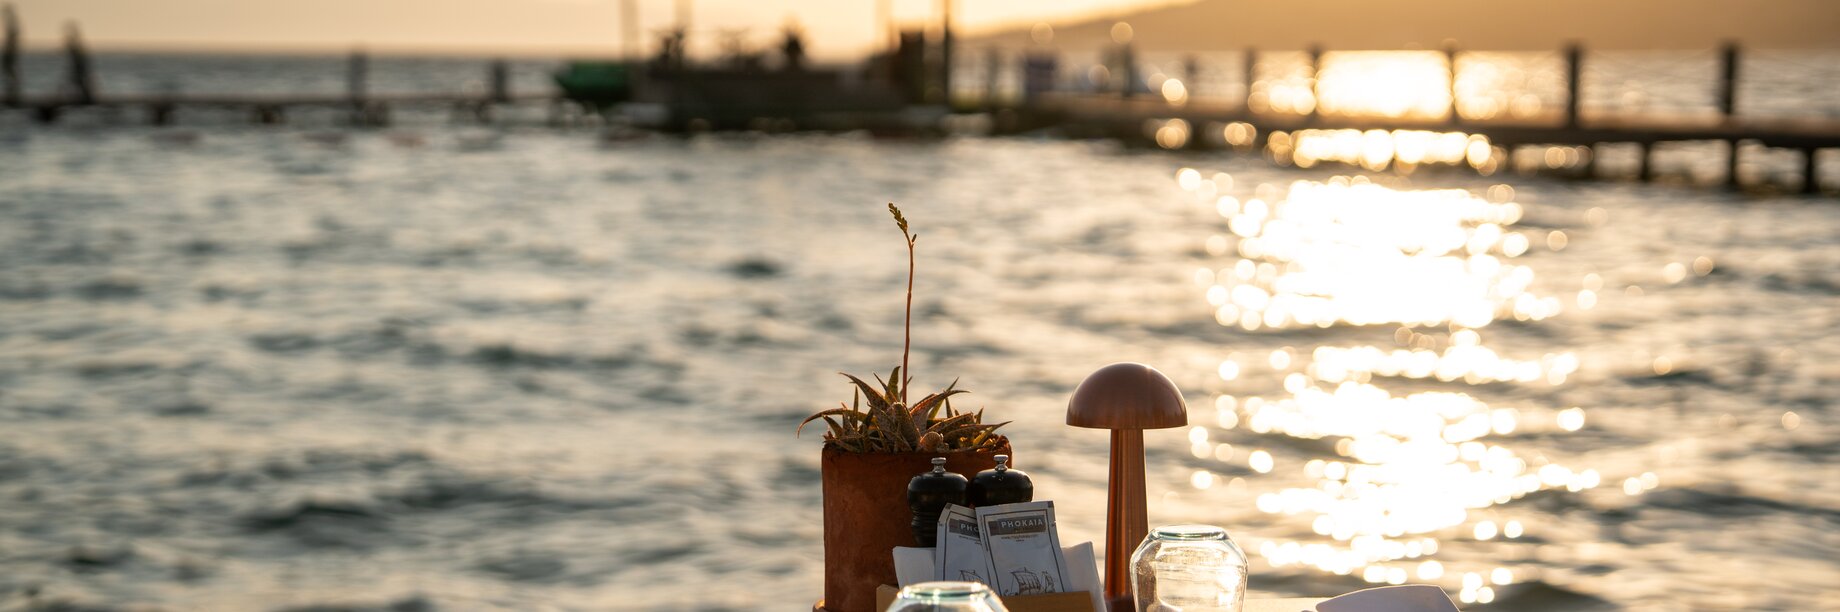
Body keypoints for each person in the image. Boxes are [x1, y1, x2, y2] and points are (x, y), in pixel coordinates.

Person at [65, 21, 96, 105]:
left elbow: (80, 61)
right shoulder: (77, 45)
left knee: (81, 85)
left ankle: (87, 98)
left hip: (80, 71)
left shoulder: (76, 46)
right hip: (79, 71)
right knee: (80, 85)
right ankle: (86, 98)